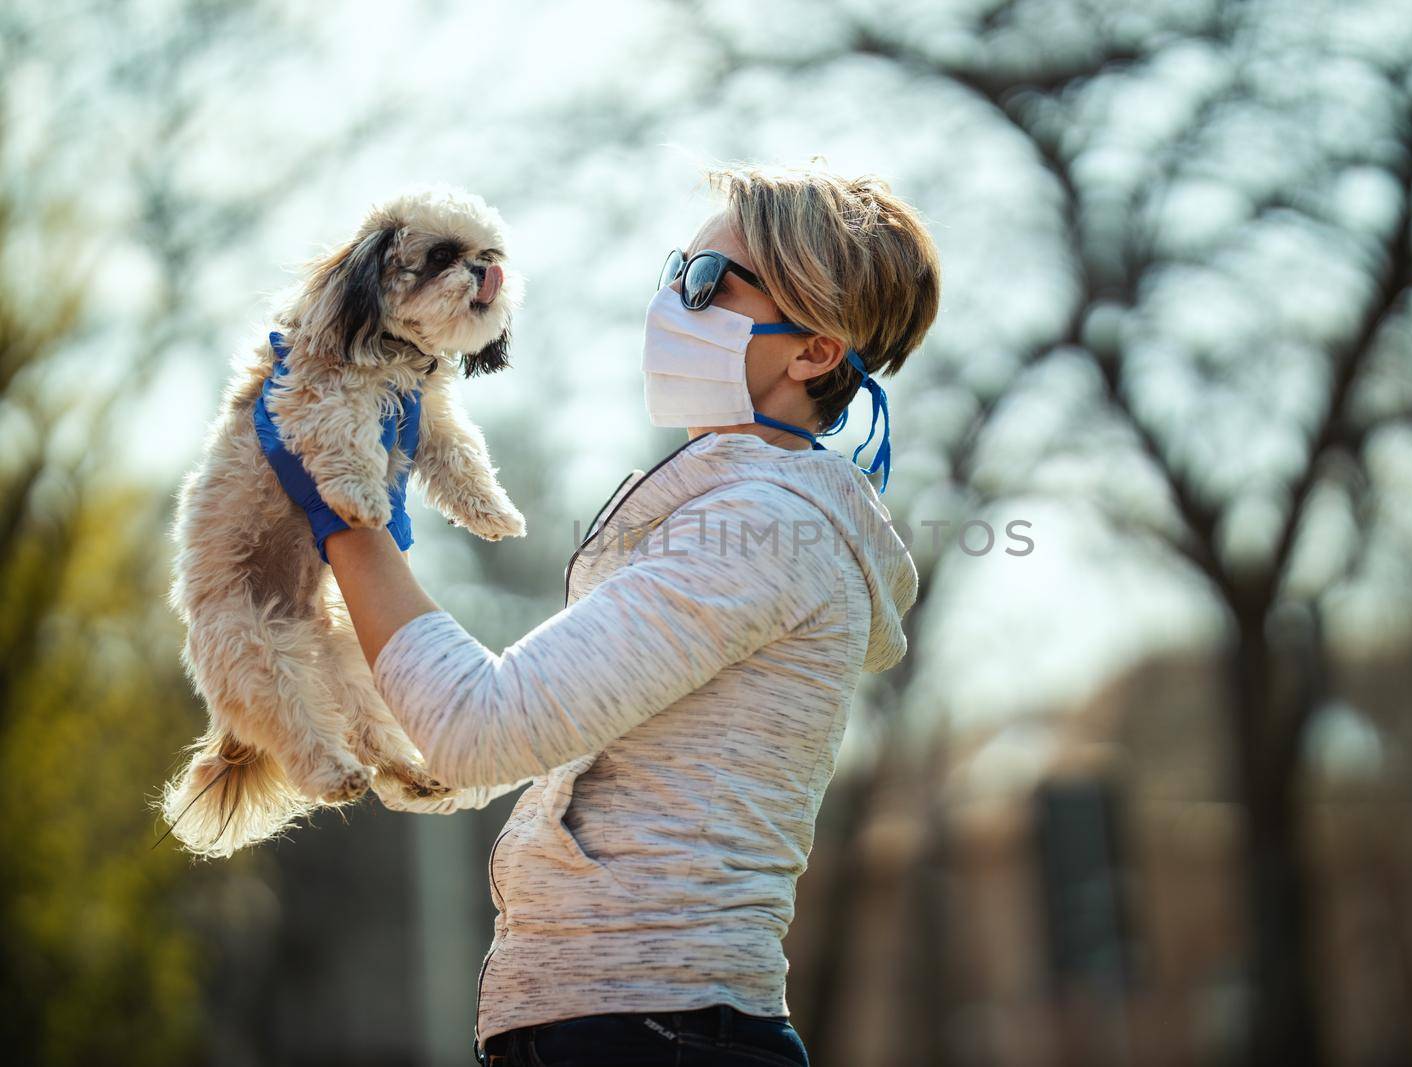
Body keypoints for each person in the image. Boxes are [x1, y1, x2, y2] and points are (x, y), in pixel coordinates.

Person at [255, 163, 940, 1066]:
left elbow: (481, 725)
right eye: (674, 270)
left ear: (813, 350)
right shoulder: (733, 516)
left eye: (705, 282)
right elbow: (498, 752)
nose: (671, 302)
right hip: (645, 1027)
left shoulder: (760, 527)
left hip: (652, 1032)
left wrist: (341, 512)